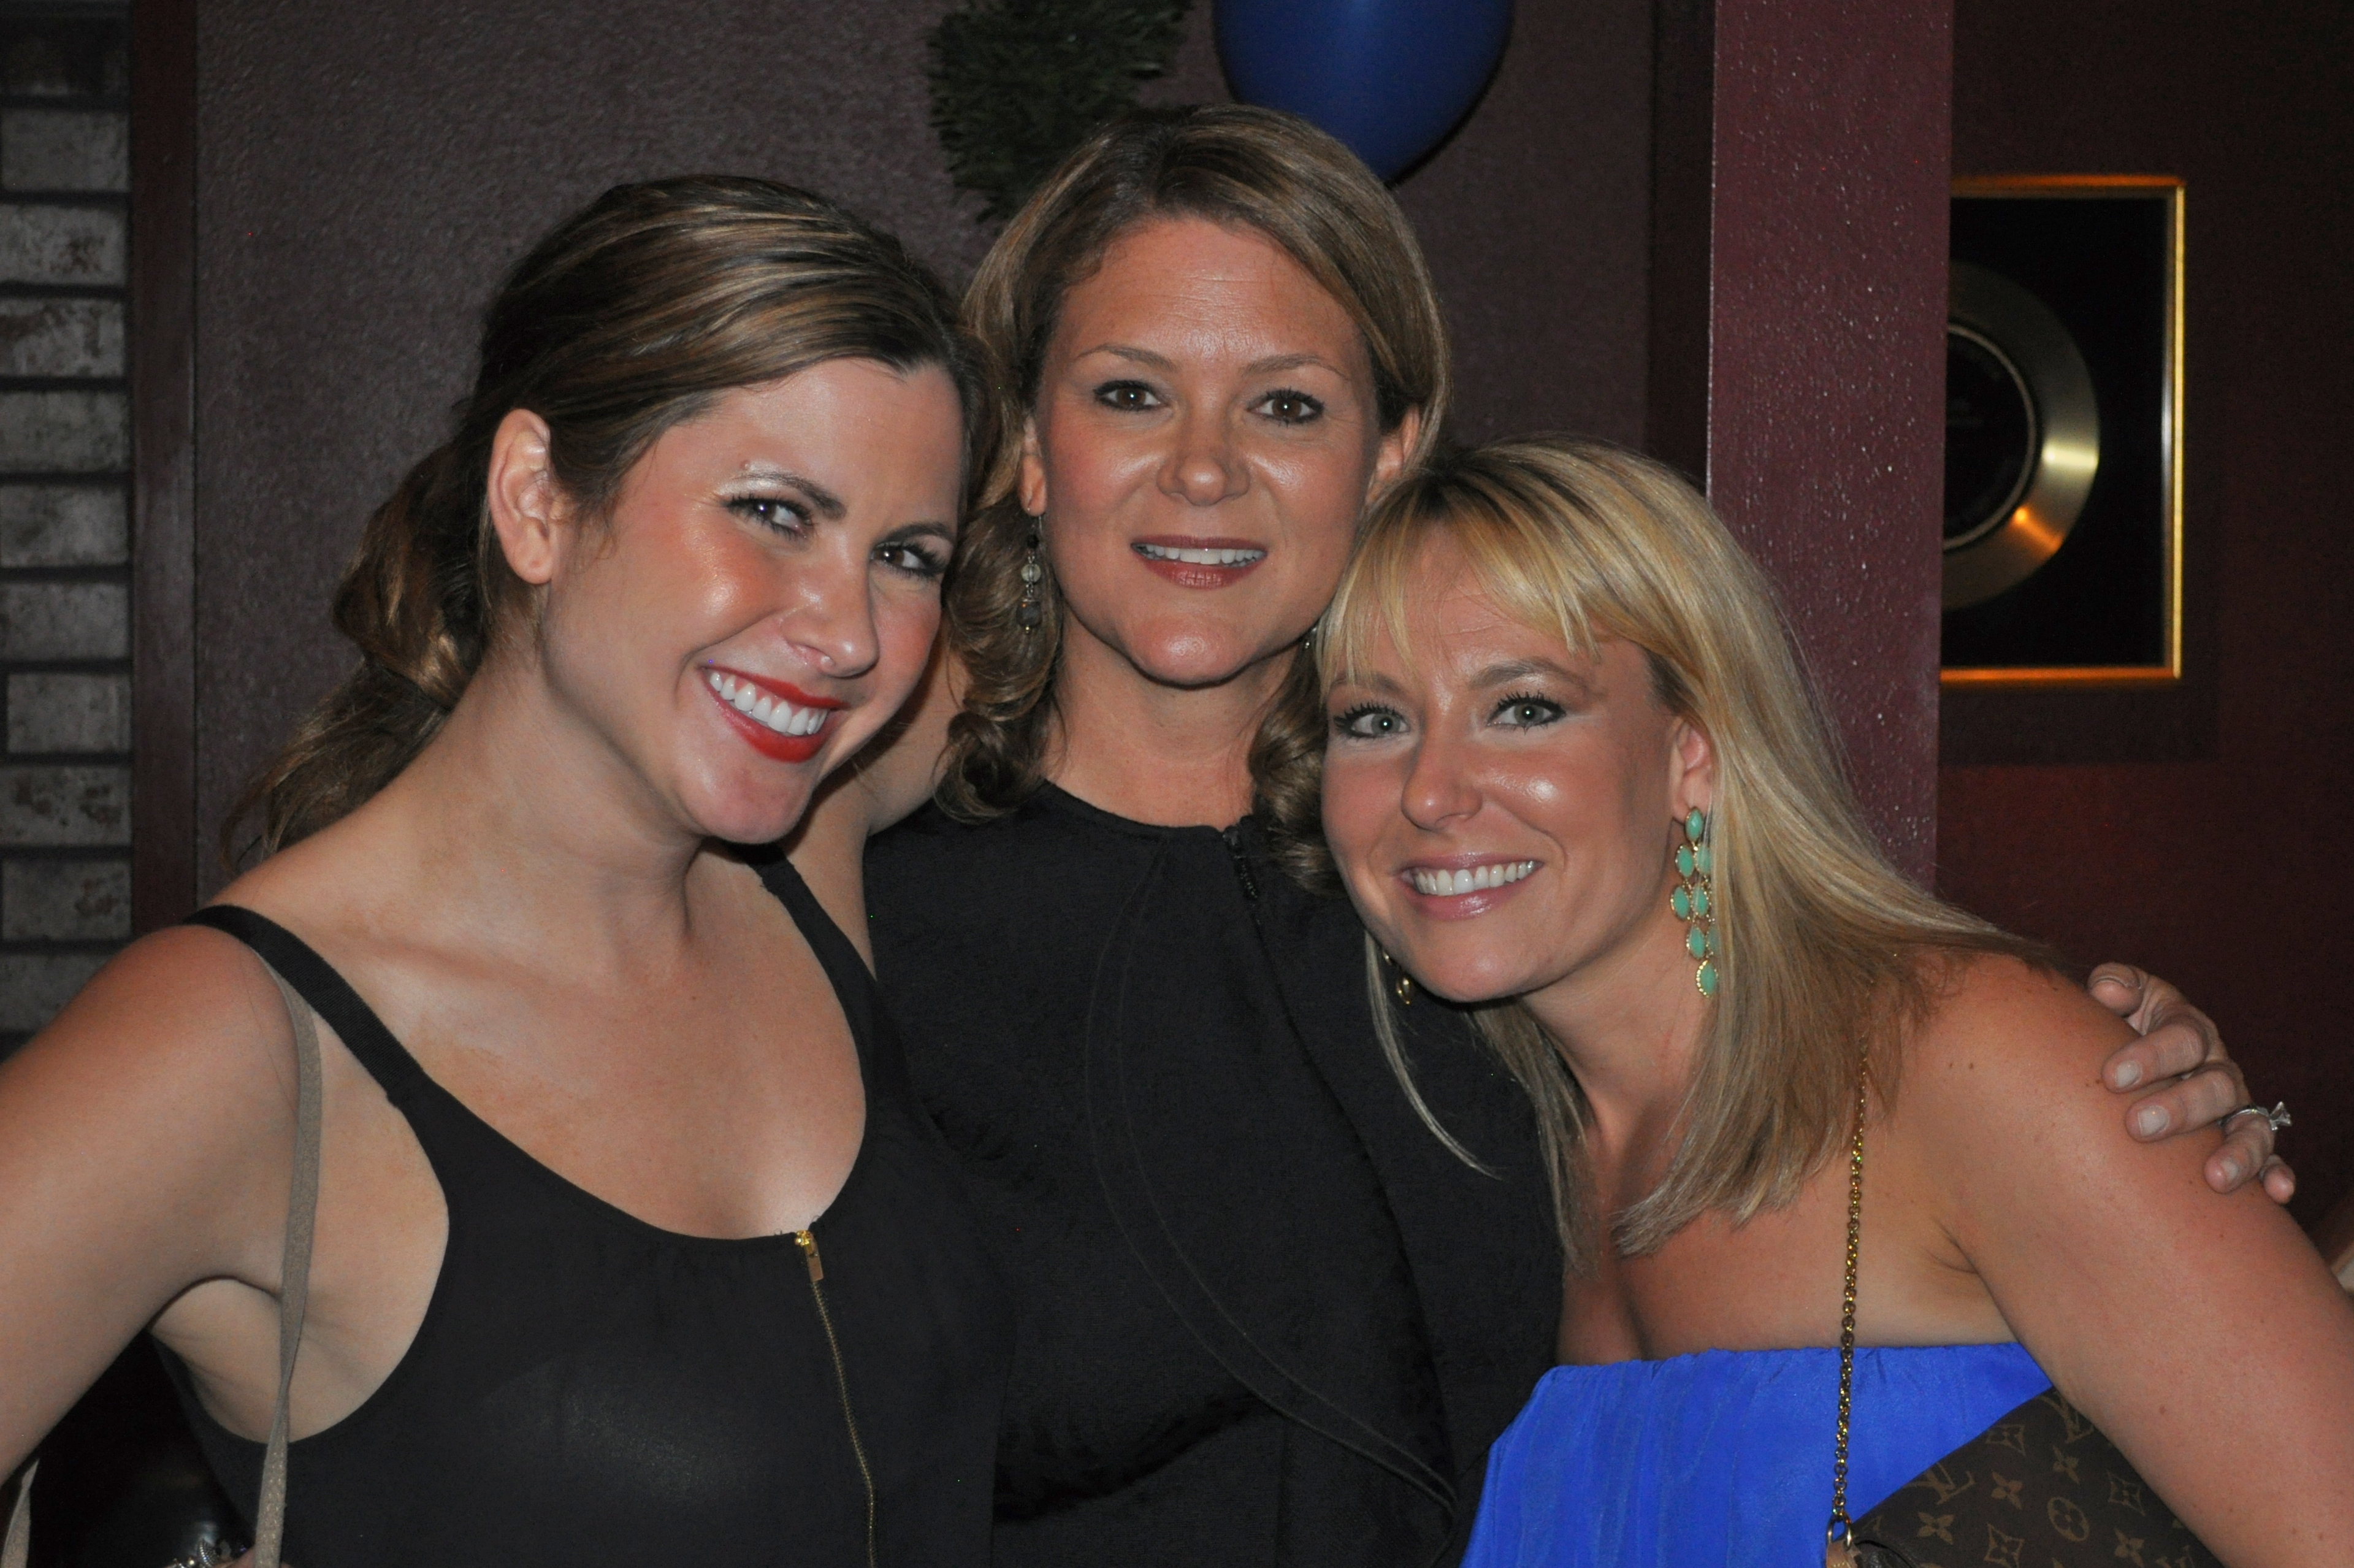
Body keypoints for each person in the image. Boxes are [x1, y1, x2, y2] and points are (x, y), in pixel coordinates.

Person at [792, 106, 2289, 1567]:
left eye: (1287, 404)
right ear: (1026, 442)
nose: (1203, 467)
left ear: (1388, 455)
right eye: (1130, 393)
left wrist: (2094, 1108)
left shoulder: (1473, 918)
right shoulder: (866, 914)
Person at [0, 177, 1011, 1566]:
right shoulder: (240, 1045)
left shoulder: (808, 845)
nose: (851, 635)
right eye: (775, 512)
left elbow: (1129, 584)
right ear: (537, 499)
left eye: (904, 554)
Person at [1313, 438, 2354, 1567]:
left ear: (1693, 752)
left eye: (1522, 708)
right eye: (1373, 720)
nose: (1429, 791)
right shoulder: (1481, 1154)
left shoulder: (1969, 1061)